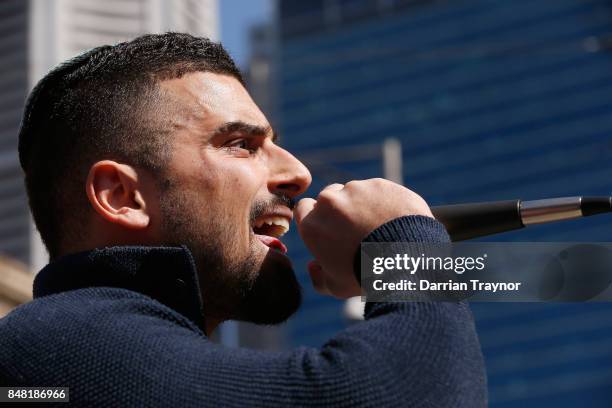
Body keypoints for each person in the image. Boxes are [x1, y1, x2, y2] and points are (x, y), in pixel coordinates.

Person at [0, 33, 486, 407]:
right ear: (122, 196)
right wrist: (402, 244)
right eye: (241, 145)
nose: (298, 173)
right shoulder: (56, 350)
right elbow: (408, 394)